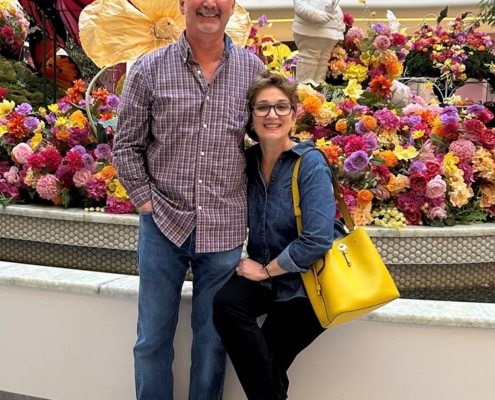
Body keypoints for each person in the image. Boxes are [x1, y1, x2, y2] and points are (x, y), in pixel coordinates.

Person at [112, 0, 264, 397]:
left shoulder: (253, 72)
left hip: (225, 228)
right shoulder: (148, 68)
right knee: (151, 340)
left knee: (213, 341)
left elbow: (266, 141)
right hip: (162, 224)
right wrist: (145, 202)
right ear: (182, 3)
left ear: (232, 5)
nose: (209, 3)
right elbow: (126, 146)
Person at [213, 70, 346, 400]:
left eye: (281, 107)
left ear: (295, 113)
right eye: (262, 107)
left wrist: (265, 270)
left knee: (267, 363)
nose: (272, 115)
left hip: (308, 284)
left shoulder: (309, 162)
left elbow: (316, 239)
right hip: (267, 276)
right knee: (226, 305)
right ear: (251, 115)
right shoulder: (248, 161)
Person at [292, 0, 345, 85]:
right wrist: (317, 15)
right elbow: (300, 6)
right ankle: (304, 87)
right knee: (309, 56)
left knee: (323, 58)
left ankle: (318, 86)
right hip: (311, 31)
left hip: (330, 32)